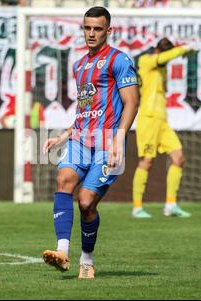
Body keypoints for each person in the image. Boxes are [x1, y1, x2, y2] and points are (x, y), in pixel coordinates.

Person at [42, 6, 139, 279]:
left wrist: (119, 138)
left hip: (109, 143)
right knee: (64, 179)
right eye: (87, 28)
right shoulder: (79, 66)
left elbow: (132, 101)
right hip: (80, 141)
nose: (92, 33)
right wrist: (63, 135)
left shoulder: (119, 61)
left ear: (109, 31)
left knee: (86, 203)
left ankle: (87, 258)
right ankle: (62, 251)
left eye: (98, 29)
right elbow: (85, 111)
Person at [131, 38, 193, 219]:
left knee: (178, 157)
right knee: (146, 162)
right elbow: (161, 58)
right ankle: (137, 207)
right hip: (148, 119)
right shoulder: (146, 61)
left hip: (162, 121)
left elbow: (164, 60)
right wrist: (184, 48)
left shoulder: (162, 69)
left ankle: (171, 205)